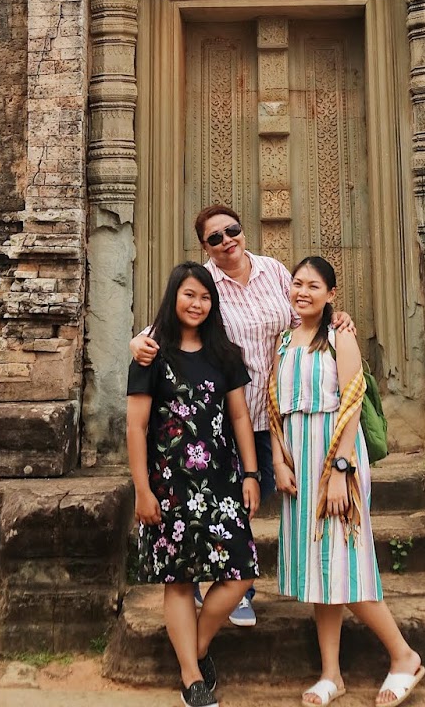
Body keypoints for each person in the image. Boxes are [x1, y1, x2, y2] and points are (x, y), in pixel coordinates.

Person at [130, 206, 356, 627]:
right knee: (230, 501)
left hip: (269, 413)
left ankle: (296, 580)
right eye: (215, 238)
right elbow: (171, 323)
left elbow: (301, 315)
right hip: (220, 416)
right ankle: (235, 590)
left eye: (231, 230)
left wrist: (336, 317)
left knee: (257, 494)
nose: (226, 240)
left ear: (242, 230)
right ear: (205, 247)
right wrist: (137, 343)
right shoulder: (204, 283)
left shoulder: (273, 271)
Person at [269, 255, 425, 707]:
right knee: (320, 570)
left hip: (337, 460)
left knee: (345, 565)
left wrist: (340, 473)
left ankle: (404, 656)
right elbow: (275, 409)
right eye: (297, 284)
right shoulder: (283, 341)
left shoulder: (340, 338)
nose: (303, 292)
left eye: (313, 286)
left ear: (331, 294)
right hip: (299, 462)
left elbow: (351, 405)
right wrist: (279, 460)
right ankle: (331, 674)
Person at [127, 261, 261, 707]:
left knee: (240, 572)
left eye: (204, 297)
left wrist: (250, 473)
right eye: (189, 295)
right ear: (173, 297)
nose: (197, 303)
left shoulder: (225, 354)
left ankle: (196, 647)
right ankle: (190, 676)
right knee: (179, 579)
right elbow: (136, 426)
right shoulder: (150, 353)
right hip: (168, 485)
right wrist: (142, 490)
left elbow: (241, 416)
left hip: (221, 480)